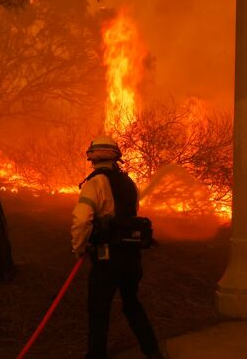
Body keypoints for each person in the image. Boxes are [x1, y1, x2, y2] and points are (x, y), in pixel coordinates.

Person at [71, 136, 164, 359]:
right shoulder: (130, 184)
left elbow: (82, 219)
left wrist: (79, 246)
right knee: (132, 304)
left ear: (91, 157)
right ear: (116, 157)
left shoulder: (94, 183)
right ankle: (153, 352)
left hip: (106, 259)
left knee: (99, 309)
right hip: (132, 258)